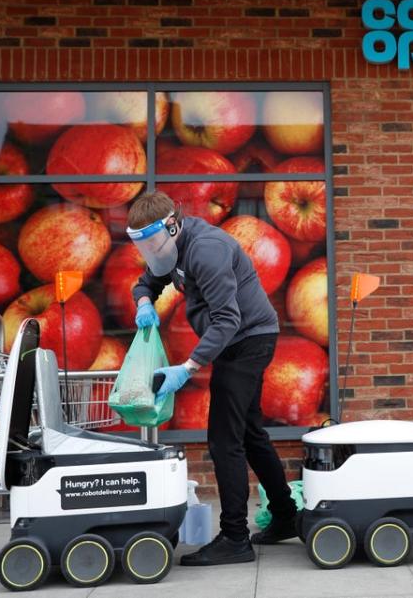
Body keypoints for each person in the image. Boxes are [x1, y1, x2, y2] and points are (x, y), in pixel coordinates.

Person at [127, 191, 298, 566]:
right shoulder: (169, 251)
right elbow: (147, 282)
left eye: (151, 242)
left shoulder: (207, 250)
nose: (149, 252)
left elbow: (227, 319)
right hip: (234, 342)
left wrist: (187, 368)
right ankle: (286, 517)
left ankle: (235, 538)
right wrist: (143, 302)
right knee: (250, 434)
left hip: (249, 340)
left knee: (224, 440)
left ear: (172, 226)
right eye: (141, 246)